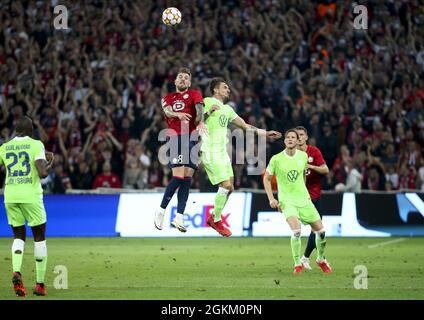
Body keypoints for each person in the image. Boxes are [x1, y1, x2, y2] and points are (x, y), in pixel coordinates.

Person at [201, 78, 281, 236]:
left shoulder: (228, 110)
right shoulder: (207, 101)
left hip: (222, 152)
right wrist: (208, 112)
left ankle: (214, 217)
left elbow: (245, 126)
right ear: (215, 90)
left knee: (230, 187)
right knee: (225, 185)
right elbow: (196, 121)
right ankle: (215, 219)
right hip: (210, 150)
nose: (228, 90)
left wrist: (266, 133)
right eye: (225, 87)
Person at [263, 129, 332, 274]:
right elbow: (266, 178)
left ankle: (320, 259)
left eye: (293, 137)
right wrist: (272, 199)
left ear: (297, 141)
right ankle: (297, 264)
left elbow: (303, 177)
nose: (290, 139)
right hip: (287, 201)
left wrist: (306, 194)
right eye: (287, 137)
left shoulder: (303, 157)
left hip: (304, 199)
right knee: (296, 230)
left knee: (321, 231)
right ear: (284, 141)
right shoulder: (276, 159)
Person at [0, 116, 54, 297]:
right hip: (30, 196)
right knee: (39, 236)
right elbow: (42, 172)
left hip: (10, 196)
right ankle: (39, 285)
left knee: (18, 236)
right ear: (31, 131)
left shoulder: (4, 147)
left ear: (16, 131)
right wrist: (49, 162)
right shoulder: (36, 144)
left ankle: (17, 271)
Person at [154, 68, 206, 232]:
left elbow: (199, 110)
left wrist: (202, 121)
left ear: (189, 83)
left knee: (187, 178)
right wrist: (179, 115)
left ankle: (179, 217)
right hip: (176, 137)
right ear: (175, 82)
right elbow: (168, 111)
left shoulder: (194, 94)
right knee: (178, 176)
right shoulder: (168, 98)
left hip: (192, 139)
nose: (183, 79)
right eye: (180, 77)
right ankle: (161, 210)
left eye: (186, 78)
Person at [295, 126, 329, 270]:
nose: (299, 137)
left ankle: (305, 258)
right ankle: (304, 259)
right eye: (297, 135)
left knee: (317, 230)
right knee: (298, 230)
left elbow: (326, 170)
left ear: (306, 137)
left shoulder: (314, 152)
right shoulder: (291, 155)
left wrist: (311, 166)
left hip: (314, 196)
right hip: (297, 197)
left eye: (302, 135)